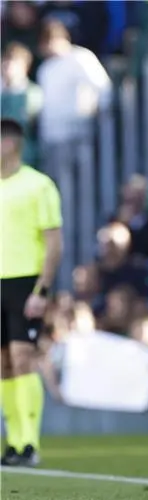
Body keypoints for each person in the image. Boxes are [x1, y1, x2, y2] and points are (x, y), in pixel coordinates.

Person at [0, 118, 63, 467]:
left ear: (10, 144)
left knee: (23, 357)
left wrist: (42, 290)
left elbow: (54, 244)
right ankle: (12, 442)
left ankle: (29, 443)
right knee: (4, 364)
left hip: (25, 282)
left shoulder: (39, 186)